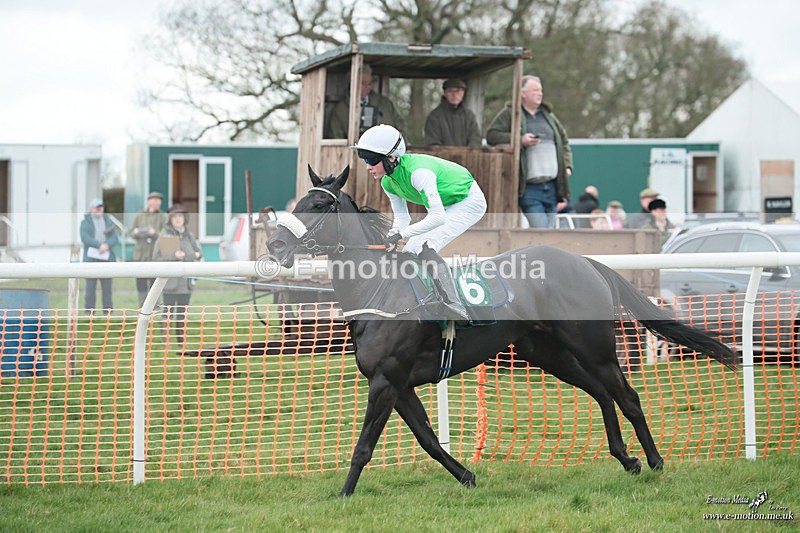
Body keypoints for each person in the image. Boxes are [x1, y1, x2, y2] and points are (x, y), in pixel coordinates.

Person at [353, 124, 487, 322]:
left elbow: (437, 217)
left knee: (425, 246)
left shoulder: (418, 173)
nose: (367, 166)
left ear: (391, 158)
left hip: (469, 200)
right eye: (364, 160)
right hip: (448, 204)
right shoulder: (387, 182)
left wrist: (401, 234)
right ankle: (425, 299)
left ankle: (454, 304)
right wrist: (393, 234)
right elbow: (402, 219)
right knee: (409, 252)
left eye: (372, 160)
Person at [486, 75, 572, 228]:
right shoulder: (511, 114)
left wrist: (567, 166)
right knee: (541, 230)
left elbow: (564, 142)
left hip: (552, 186)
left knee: (549, 232)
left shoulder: (549, 116)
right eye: (535, 90)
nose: (540, 93)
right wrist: (520, 140)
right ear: (523, 94)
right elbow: (491, 136)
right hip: (529, 187)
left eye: (540, 90)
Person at [152, 204, 203, 344]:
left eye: (180, 216)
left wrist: (187, 255)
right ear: (170, 219)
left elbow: (198, 253)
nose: (178, 219)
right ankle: (165, 339)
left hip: (186, 282)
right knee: (168, 312)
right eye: (175, 217)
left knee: (182, 312)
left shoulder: (189, 235)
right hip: (170, 282)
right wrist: (174, 255)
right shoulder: (166, 235)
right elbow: (157, 258)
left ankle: (181, 340)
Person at [327, 65, 402, 139]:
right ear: (352, 83)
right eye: (363, 83)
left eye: (369, 83)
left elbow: (401, 126)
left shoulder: (386, 104)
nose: (368, 86)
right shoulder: (340, 110)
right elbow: (336, 138)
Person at [80, 198, 119, 313]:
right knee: (90, 288)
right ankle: (89, 313)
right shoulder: (85, 222)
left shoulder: (108, 220)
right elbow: (84, 237)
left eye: (101, 207)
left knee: (107, 289)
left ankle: (108, 313)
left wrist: (106, 245)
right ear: (91, 209)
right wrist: (98, 245)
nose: (99, 209)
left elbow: (115, 237)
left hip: (107, 259)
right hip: (91, 259)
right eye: (97, 207)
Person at [129, 191, 166, 306]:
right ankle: (141, 311)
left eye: (158, 200)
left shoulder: (163, 217)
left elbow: (167, 237)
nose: (156, 202)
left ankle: (154, 311)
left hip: (155, 256)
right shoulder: (139, 216)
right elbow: (130, 232)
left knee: (155, 285)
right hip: (140, 256)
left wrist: (154, 233)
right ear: (149, 201)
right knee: (141, 285)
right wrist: (136, 233)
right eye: (154, 199)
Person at [424, 78, 482, 147]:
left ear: (463, 93)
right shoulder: (434, 117)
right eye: (450, 91)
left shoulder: (469, 116)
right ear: (445, 93)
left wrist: (467, 154)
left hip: (468, 157)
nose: (454, 94)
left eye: (458, 91)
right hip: (442, 157)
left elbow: (475, 140)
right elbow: (433, 144)